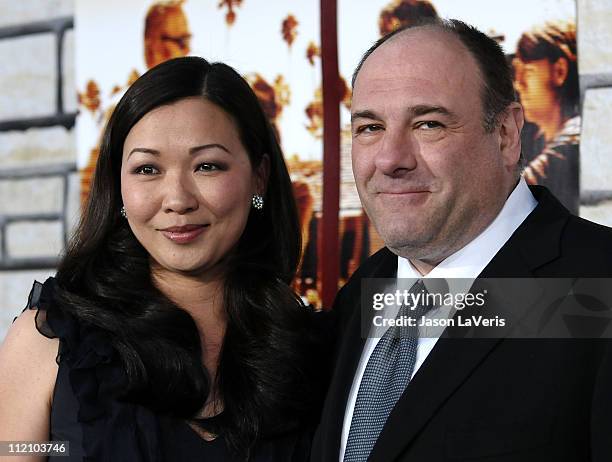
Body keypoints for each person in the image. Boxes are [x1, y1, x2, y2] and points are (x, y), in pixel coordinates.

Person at [0, 56, 330, 461]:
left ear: (259, 175)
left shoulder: (311, 348)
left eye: (207, 166)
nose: (177, 200)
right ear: (116, 184)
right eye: (147, 169)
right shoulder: (48, 339)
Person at [311, 18, 612, 462]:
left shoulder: (600, 285)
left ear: (507, 135)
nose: (390, 159)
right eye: (370, 128)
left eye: (428, 124)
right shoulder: (361, 292)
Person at [513, 21, 579, 213]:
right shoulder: (543, 141)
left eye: (528, 72)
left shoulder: (570, 144)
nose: (519, 84)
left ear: (559, 72)